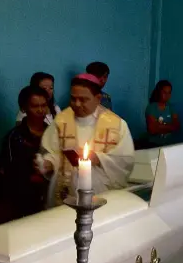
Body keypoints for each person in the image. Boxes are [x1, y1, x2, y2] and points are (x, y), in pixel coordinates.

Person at [39, 74, 134, 207]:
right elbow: (54, 151)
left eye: (83, 99)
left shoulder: (116, 124)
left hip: (99, 191)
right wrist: (48, 162)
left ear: (98, 98)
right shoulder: (61, 120)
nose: (77, 104)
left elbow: (125, 160)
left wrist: (99, 158)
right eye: (73, 98)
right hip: (64, 192)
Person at [1, 86, 50, 219]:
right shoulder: (14, 137)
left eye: (44, 105)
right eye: (35, 106)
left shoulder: (53, 133)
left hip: (51, 195)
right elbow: (10, 172)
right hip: (24, 201)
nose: (40, 110)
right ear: (24, 108)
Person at [145, 80, 180, 147]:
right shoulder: (151, 107)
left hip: (169, 145)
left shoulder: (171, 107)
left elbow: (177, 126)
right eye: (164, 92)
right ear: (159, 92)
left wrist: (159, 126)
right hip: (154, 145)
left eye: (169, 93)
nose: (167, 95)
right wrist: (170, 126)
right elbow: (152, 129)